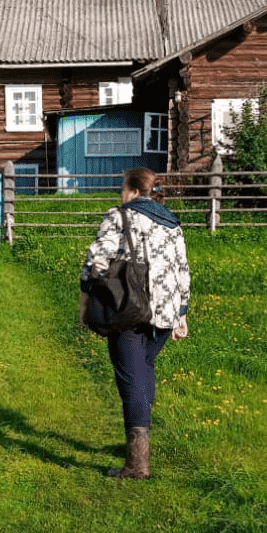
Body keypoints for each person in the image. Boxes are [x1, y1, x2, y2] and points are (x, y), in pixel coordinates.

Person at [80, 167, 190, 479]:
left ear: (134, 191)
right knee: (143, 371)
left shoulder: (119, 216)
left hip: (129, 310)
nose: (120, 194)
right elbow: (182, 270)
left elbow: (95, 264)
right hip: (166, 313)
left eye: (122, 188)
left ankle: (137, 464)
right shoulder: (172, 223)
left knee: (131, 380)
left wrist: (86, 303)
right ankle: (138, 445)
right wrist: (181, 313)